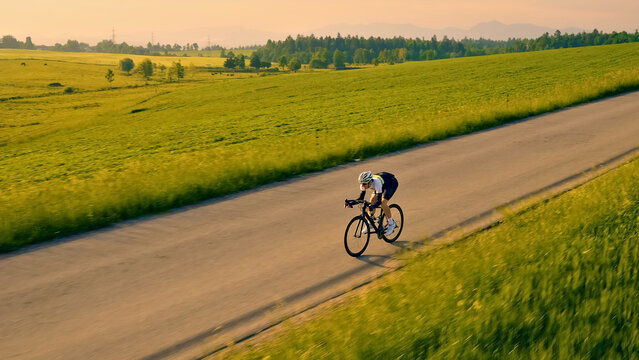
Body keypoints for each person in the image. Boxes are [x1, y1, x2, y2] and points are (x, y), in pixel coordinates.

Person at [347, 171, 399, 236]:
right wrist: (351, 203)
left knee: (383, 203)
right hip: (382, 184)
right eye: (361, 184)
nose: (362, 186)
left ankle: (391, 223)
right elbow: (361, 198)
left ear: (370, 182)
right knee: (371, 201)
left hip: (391, 184)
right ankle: (371, 222)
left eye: (364, 184)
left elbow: (379, 201)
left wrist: (373, 206)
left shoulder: (377, 183)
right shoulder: (364, 183)